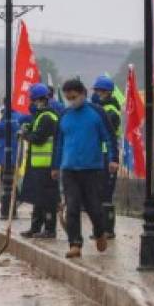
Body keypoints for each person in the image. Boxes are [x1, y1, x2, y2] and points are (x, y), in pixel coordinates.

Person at [51, 79, 117, 259]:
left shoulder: (97, 113)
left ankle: (100, 231)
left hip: (92, 169)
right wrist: (55, 166)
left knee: (94, 207)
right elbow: (58, 143)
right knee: (71, 207)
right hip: (69, 169)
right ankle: (75, 244)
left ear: (83, 94)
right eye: (68, 98)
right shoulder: (64, 116)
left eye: (74, 97)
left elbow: (109, 138)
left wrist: (113, 159)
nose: (71, 101)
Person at [19, 83, 61, 239]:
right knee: (38, 198)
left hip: (47, 165)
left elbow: (38, 138)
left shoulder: (48, 117)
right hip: (38, 165)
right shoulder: (41, 116)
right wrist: (27, 128)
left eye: (34, 100)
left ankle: (50, 230)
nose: (33, 103)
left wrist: (25, 136)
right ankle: (35, 228)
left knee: (48, 200)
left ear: (40, 100)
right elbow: (34, 130)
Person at [91, 75, 121, 239]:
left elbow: (106, 133)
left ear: (108, 92)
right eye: (96, 90)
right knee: (99, 193)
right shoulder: (101, 108)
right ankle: (101, 229)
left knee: (106, 194)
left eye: (100, 91)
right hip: (99, 156)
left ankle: (108, 230)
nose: (97, 93)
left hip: (108, 157)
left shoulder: (111, 111)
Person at [0, 106, 22, 219]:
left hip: (7, 154)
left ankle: (11, 201)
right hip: (14, 152)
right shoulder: (18, 116)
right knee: (10, 178)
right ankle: (12, 201)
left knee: (6, 178)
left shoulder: (8, 118)